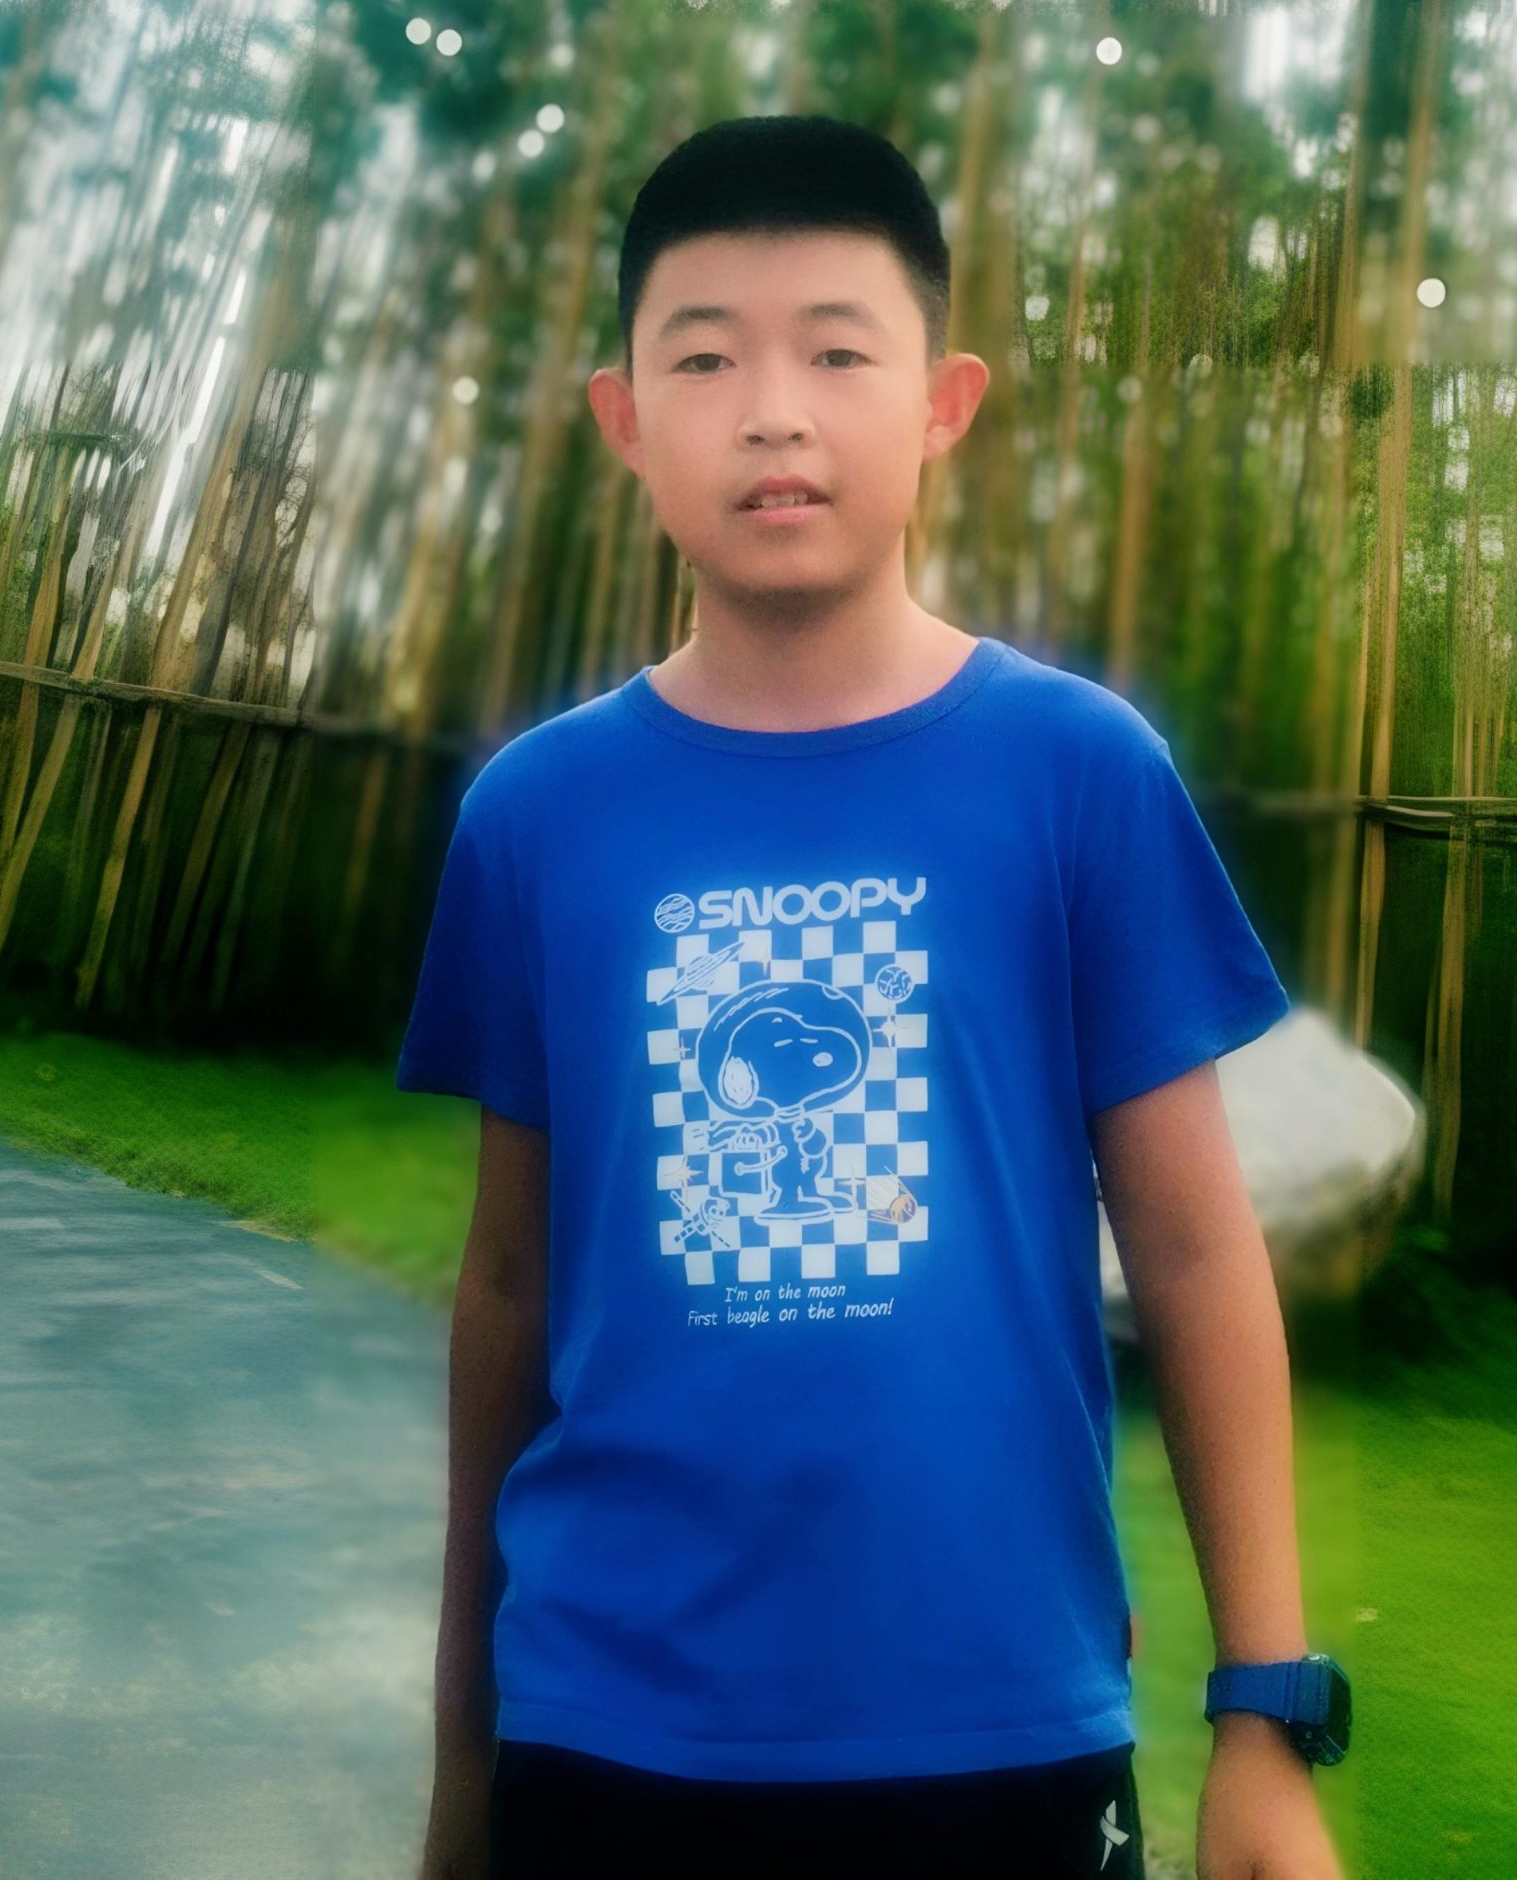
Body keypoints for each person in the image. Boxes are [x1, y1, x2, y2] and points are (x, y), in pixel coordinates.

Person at [398, 115, 1348, 1879]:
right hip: (606, 1732)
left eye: (839, 352)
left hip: (1000, 1727)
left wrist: (1266, 1715)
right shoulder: (536, 816)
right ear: (625, 419)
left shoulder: (1076, 774)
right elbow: (509, 1283)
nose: (775, 412)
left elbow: (1199, 1250)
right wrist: (465, 1745)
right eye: (705, 358)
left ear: (941, 404)